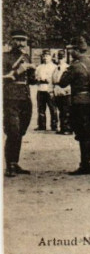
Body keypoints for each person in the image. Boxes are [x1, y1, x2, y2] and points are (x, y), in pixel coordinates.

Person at [57, 36, 90, 175]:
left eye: (71, 50)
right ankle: (87, 163)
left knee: (81, 133)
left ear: (76, 50)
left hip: (78, 102)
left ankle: (85, 165)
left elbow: (62, 82)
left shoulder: (75, 66)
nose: (70, 52)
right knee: (88, 133)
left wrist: (66, 69)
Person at [3, 30, 35, 176]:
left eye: (23, 40)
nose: (21, 43)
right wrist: (18, 71)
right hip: (11, 97)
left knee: (21, 130)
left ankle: (15, 162)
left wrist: (35, 73)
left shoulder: (27, 57)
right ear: (12, 41)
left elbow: (31, 80)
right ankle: (9, 164)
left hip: (25, 97)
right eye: (18, 40)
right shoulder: (5, 57)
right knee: (12, 131)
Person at [33, 50, 58, 132]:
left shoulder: (54, 67)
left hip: (49, 89)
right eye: (44, 56)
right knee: (41, 108)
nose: (45, 57)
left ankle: (54, 125)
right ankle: (41, 125)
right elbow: (35, 77)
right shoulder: (39, 67)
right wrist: (38, 79)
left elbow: (56, 78)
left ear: (51, 57)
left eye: (47, 56)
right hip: (41, 89)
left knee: (53, 108)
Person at [52, 50, 72, 135]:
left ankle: (68, 128)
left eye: (61, 57)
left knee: (66, 111)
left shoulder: (68, 68)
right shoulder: (56, 68)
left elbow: (69, 80)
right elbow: (53, 80)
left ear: (64, 58)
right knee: (61, 110)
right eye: (58, 58)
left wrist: (66, 90)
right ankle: (62, 127)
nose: (59, 60)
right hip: (57, 91)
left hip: (65, 91)